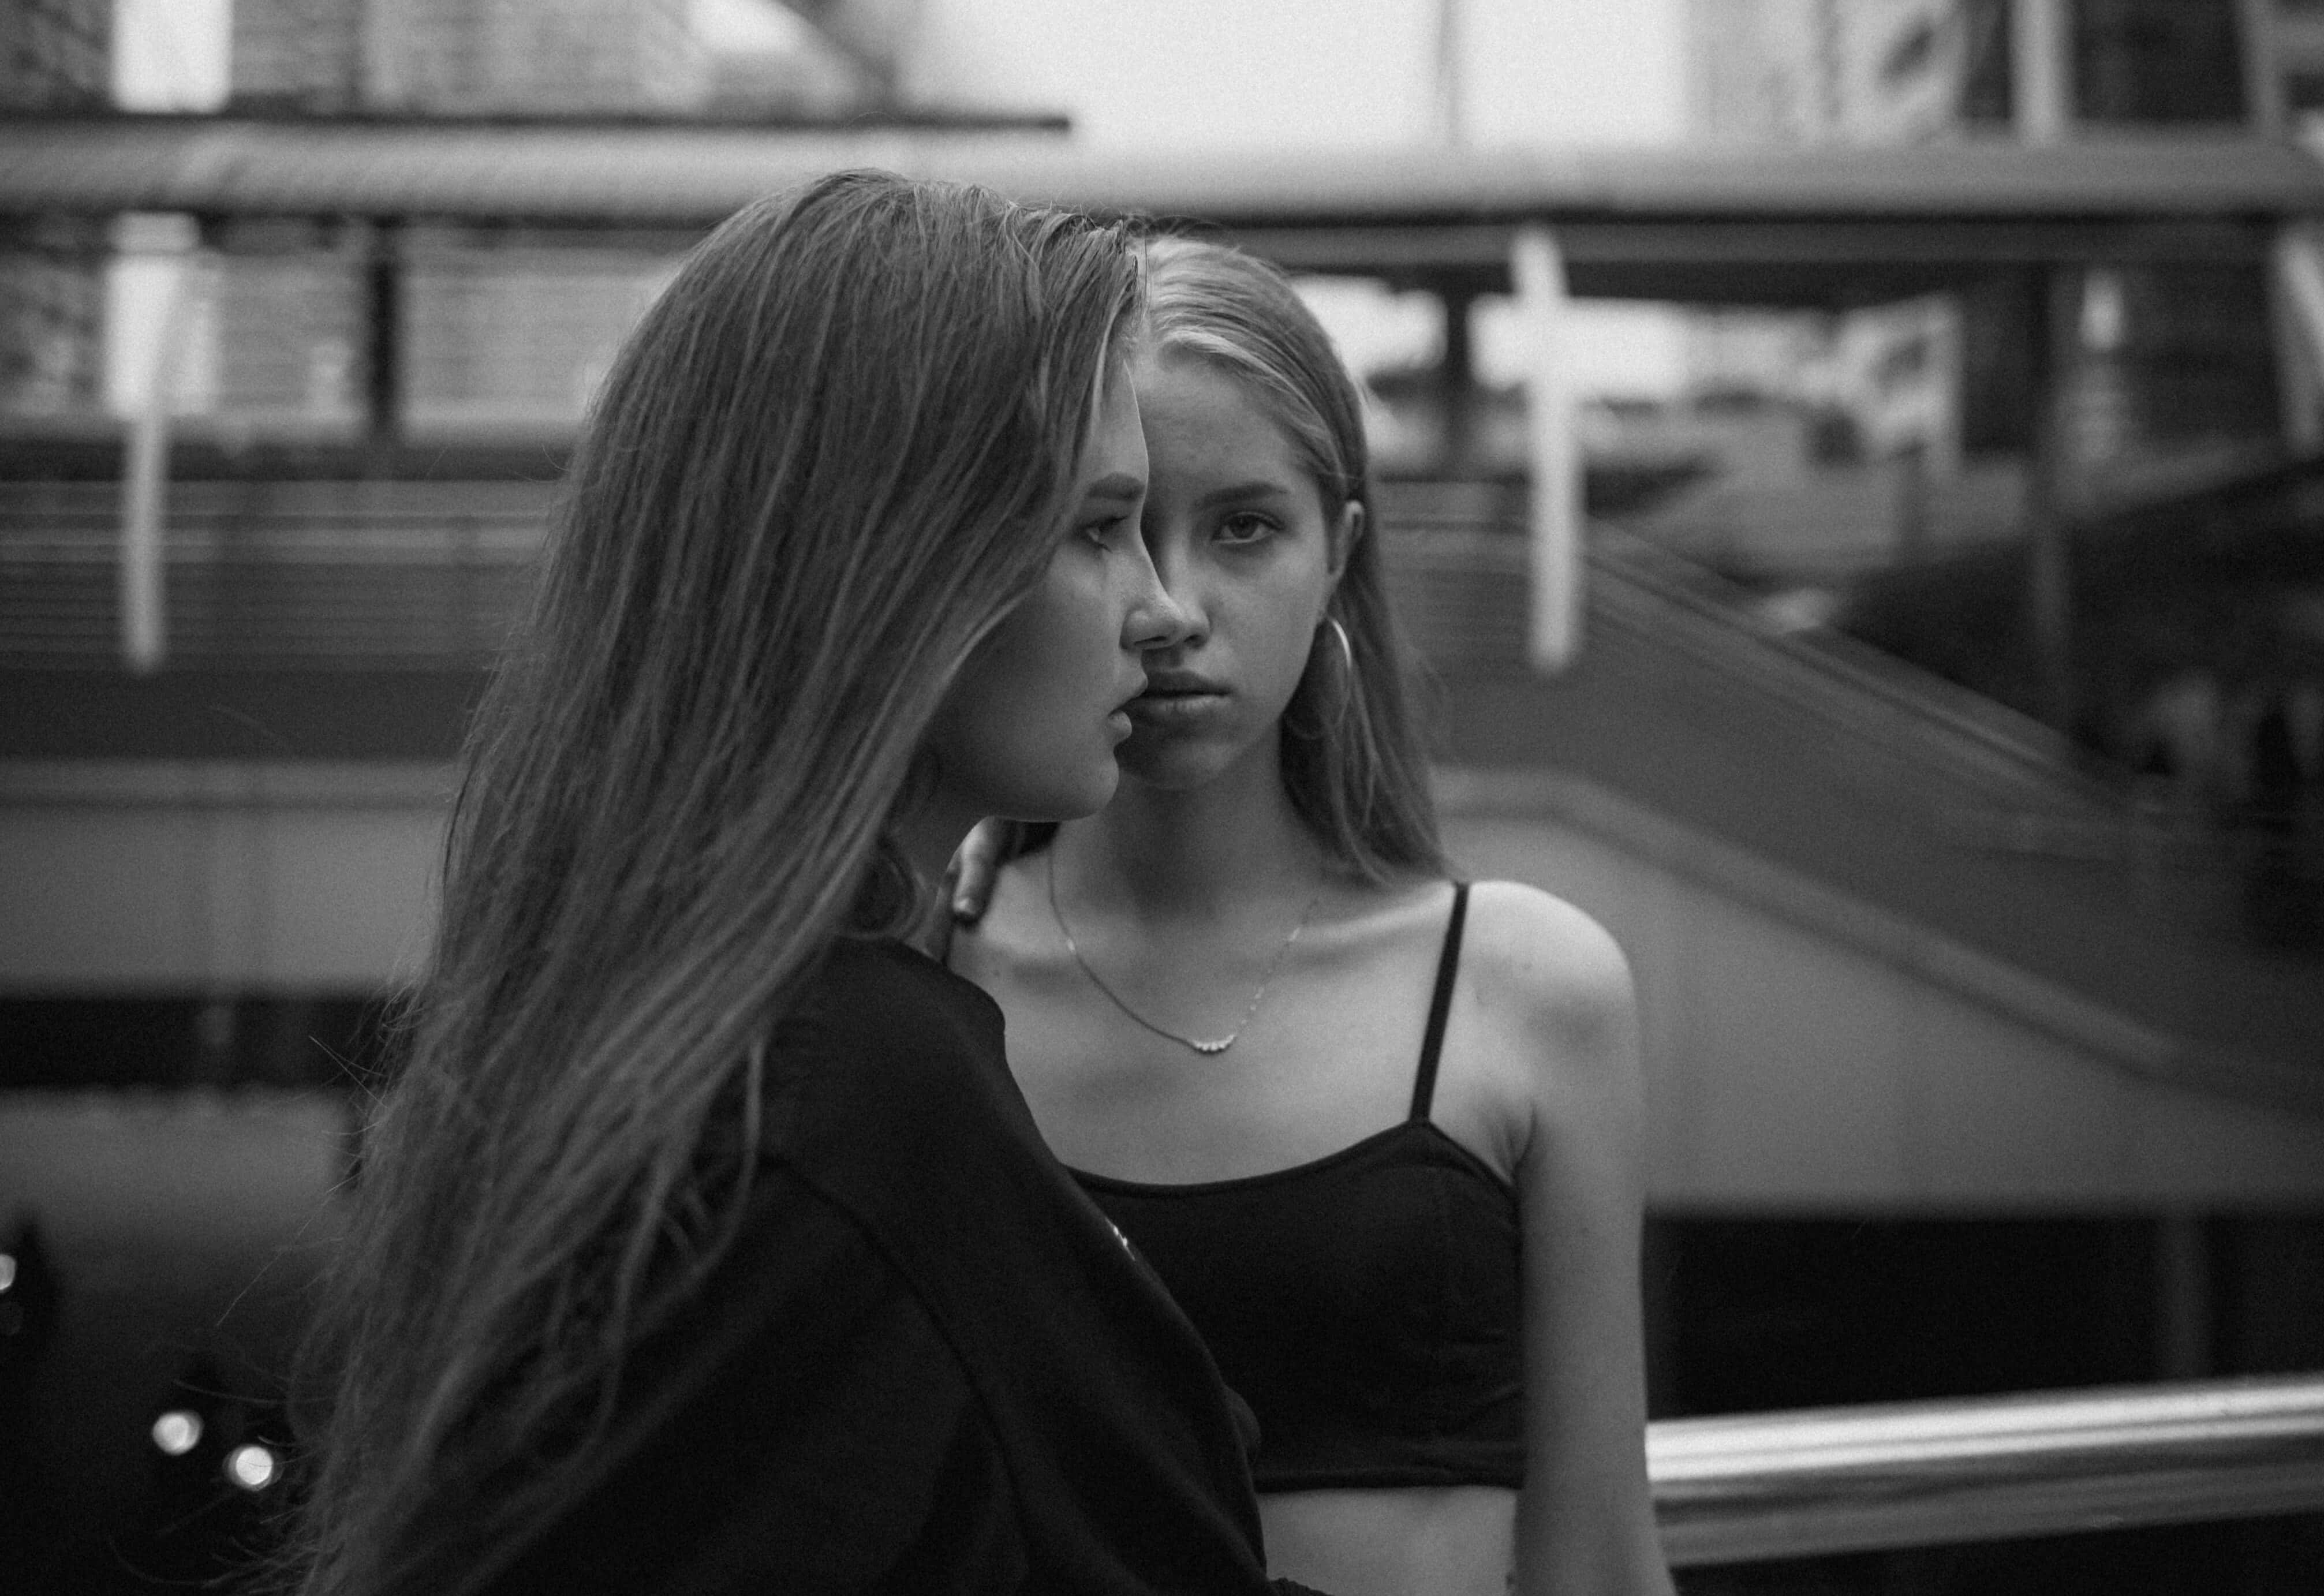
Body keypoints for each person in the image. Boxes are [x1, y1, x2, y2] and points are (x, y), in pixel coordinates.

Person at [279, 176, 1315, 1596]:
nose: (1158, 603)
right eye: (1098, 526)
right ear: (899, 568)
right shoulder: (849, 1096)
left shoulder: (672, 1032)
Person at [948, 238, 1675, 1596]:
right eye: (1108, 524)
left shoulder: (1526, 988)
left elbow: (1599, 1560)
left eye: (1243, 527)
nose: (1171, 608)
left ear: (1339, 552)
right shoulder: (932, 973)